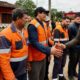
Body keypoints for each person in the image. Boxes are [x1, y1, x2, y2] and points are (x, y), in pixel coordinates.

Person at [27, 7, 63, 80]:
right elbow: (34, 42)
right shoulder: (32, 25)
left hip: (43, 56)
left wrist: (54, 44)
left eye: (46, 14)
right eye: (43, 13)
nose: (45, 15)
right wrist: (49, 50)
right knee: (35, 77)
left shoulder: (43, 24)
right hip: (35, 59)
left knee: (42, 77)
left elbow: (47, 40)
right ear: (38, 13)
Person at [0, 8, 29, 80]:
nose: (27, 20)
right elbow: (3, 60)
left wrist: (27, 62)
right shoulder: (5, 34)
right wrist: (11, 78)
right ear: (18, 18)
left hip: (22, 71)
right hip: (13, 74)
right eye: (25, 18)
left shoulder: (24, 31)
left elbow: (24, 49)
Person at [68, 14, 80, 80]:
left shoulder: (79, 26)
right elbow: (70, 39)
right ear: (74, 19)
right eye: (78, 19)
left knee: (76, 61)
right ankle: (70, 75)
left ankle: (74, 72)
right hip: (73, 48)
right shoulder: (71, 26)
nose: (79, 20)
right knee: (72, 61)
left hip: (78, 47)